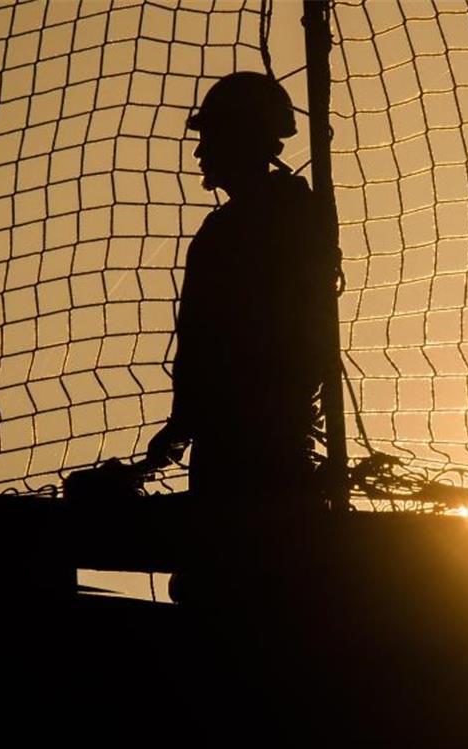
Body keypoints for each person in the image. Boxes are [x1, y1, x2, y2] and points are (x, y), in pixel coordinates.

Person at [140, 72, 334, 512]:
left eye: (210, 136)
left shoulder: (228, 233)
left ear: (240, 138)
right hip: (283, 441)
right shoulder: (299, 215)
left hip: (239, 450)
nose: (200, 151)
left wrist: (179, 427)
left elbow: (205, 343)